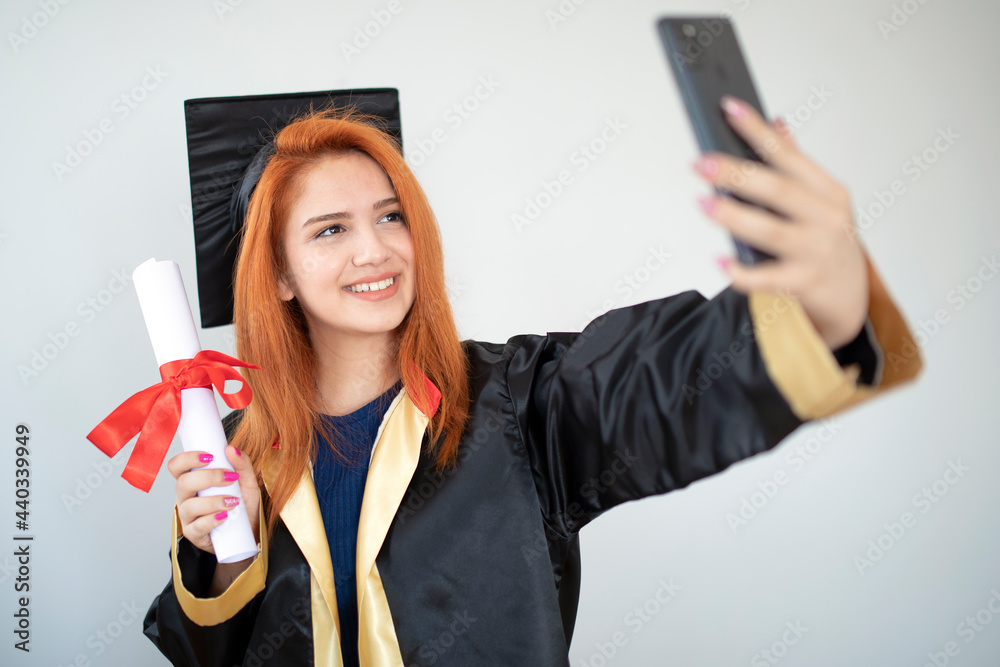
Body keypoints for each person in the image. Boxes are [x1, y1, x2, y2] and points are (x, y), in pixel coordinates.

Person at [143, 96, 922, 666]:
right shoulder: (245, 453)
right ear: (277, 271)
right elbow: (206, 654)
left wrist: (821, 302)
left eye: (391, 216)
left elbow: (650, 381)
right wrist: (227, 558)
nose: (375, 250)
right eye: (330, 230)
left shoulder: (513, 403)